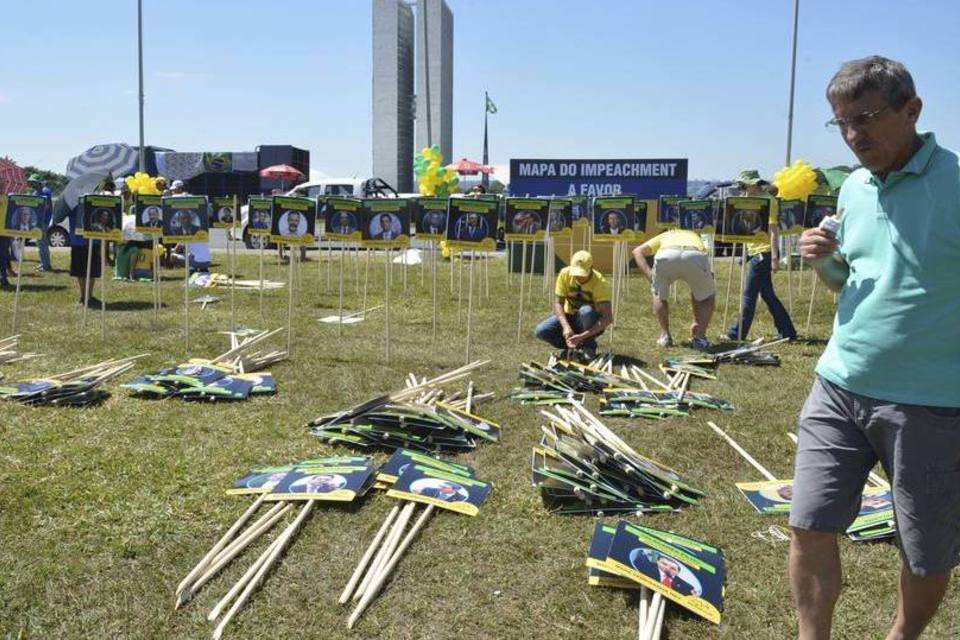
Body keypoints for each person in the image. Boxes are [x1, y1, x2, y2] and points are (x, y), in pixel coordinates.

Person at [790, 56, 960, 640]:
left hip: (932, 401)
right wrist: (826, 263)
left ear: (912, 111)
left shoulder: (958, 184)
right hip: (839, 383)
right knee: (809, 522)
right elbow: (854, 281)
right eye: (841, 123)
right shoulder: (856, 188)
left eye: (866, 118)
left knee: (924, 548)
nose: (854, 135)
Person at [725, 169, 797, 341]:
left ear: (753, 184)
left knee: (749, 295)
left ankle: (736, 334)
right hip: (756, 252)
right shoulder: (751, 199)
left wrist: (773, 257)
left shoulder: (768, 201)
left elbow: (773, 230)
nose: (741, 189)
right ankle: (788, 332)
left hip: (763, 253)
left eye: (743, 185)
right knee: (768, 295)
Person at [632, 228, 715, 349]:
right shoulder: (695, 235)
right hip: (694, 254)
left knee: (659, 295)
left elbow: (637, 251)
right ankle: (700, 337)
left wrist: (650, 276)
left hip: (667, 254)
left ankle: (665, 336)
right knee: (706, 297)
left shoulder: (665, 235)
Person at [534, 250, 613, 359]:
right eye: (575, 273)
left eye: (582, 274)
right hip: (569, 315)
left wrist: (583, 335)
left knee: (586, 311)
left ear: (591, 268)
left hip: (589, 320)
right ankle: (570, 345)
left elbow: (608, 317)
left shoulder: (600, 282)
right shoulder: (564, 274)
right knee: (541, 331)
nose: (578, 277)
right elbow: (558, 303)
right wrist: (566, 327)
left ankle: (588, 345)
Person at [27, 174, 53, 272]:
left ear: (38, 182)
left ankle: (46, 265)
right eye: (31, 182)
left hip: (43, 221)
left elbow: (45, 206)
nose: (31, 184)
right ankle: (43, 263)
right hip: (37, 221)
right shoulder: (35, 192)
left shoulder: (45, 191)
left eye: (33, 182)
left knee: (43, 244)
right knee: (39, 243)